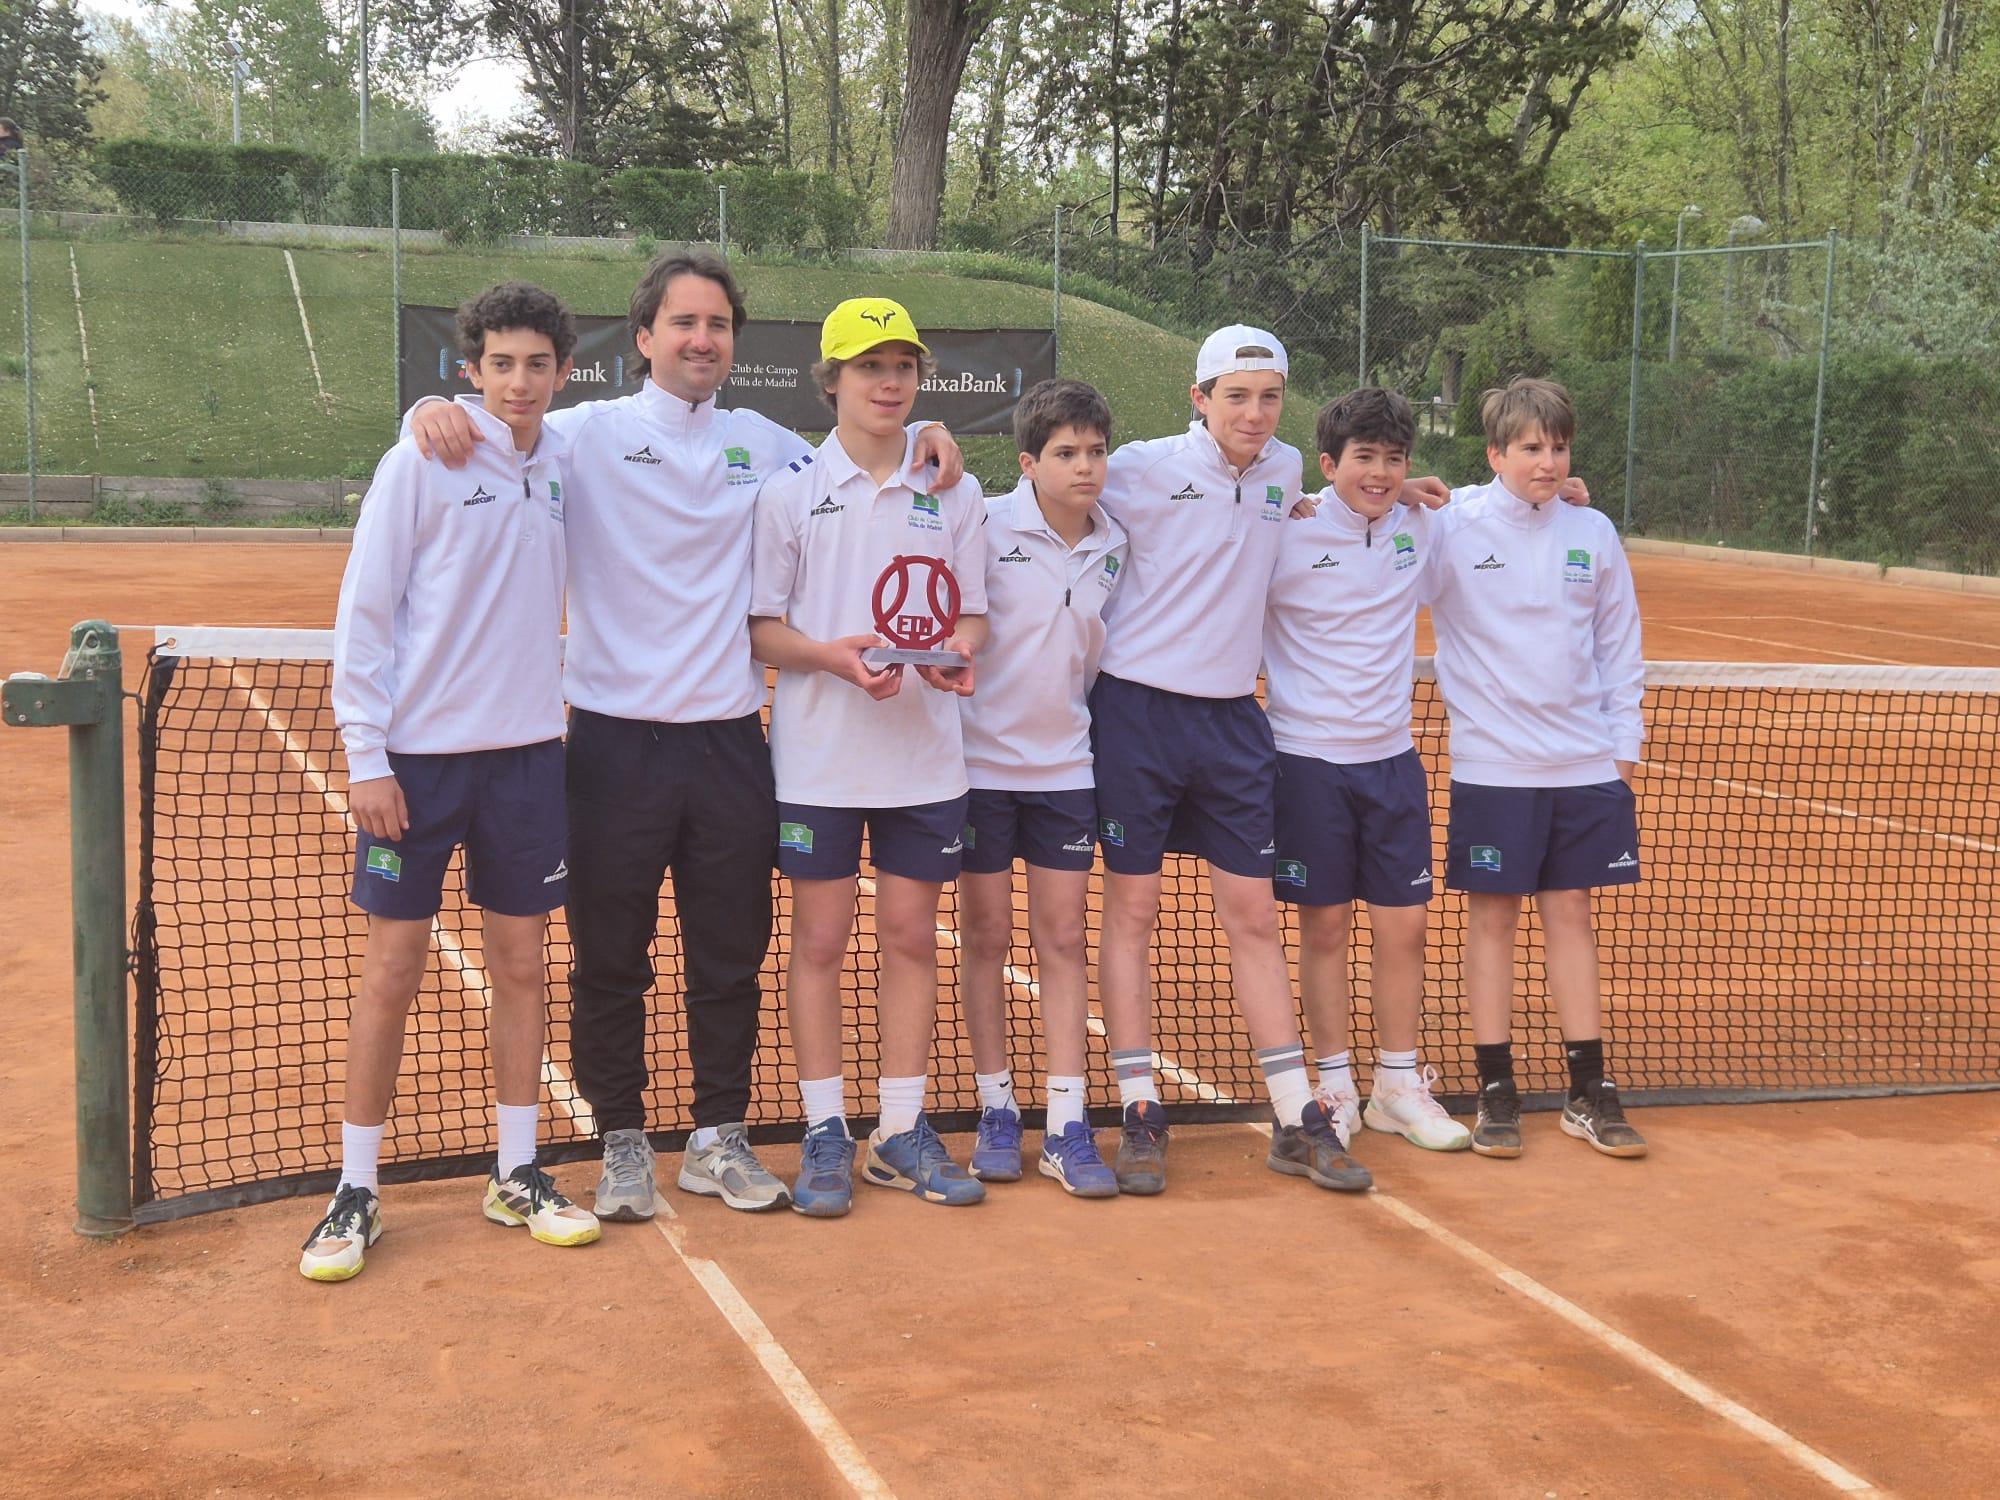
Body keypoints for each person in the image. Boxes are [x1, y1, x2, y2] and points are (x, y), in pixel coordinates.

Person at [406, 254, 962, 1221]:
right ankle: (622, 1138)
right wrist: (424, 411)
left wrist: (925, 429)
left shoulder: (769, 444)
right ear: (646, 338)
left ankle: (718, 1136)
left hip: (728, 747)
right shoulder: (581, 435)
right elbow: (497, 415)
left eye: (717, 324)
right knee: (610, 954)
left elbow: (863, 448)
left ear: (732, 341)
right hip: (613, 746)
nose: (702, 339)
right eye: (683, 323)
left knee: (729, 954)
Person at [306, 282, 595, 1280]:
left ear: (563, 372)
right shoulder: (419, 459)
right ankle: (355, 1190)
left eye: (538, 364)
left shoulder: (566, 458)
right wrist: (368, 759)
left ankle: (517, 1171)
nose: (519, 382)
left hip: (526, 759)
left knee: (521, 967)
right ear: (470, 370)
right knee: (392, 970)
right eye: (500, 364)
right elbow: (365, 613)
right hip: (418, 766)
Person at [1090, 325, 1393, 1195]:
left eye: (1269, 396)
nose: (1255, 414)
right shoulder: (1141, 466)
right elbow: (1048, 488)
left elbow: (1341, 495)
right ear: (1199, 398)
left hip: (1231, 723)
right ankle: (1141, 1112)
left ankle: (1300, 1116)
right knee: (1134, 913)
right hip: (1136, 715)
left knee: (1254, 917)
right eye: (1236, 396)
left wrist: (1398, 485)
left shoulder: (1290, 468)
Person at [748, 298, 989, 1216]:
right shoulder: (788, 493)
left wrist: (959, 656)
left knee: (908, 940)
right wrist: (835, 661)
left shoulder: (953, 489)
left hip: (926, 761)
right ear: (833, 382)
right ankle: (822, 1131)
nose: (890, 383)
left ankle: (897, 1130)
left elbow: (969, 614)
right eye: (869, 367)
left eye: (904, 367)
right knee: (817, 942)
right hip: (818, 762)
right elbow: (765, 632)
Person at [1424, 376, 1648, 1159]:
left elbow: (1620, 645)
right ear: (1495, 453)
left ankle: (1589, 1091)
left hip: (1584, 765)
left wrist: (1623, 748)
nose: (1547, 461)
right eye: (1530, 447)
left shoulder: (1593, 531)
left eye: (1557, 447)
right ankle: (1497, 1090)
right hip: (1494, 769)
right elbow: (1373, 557)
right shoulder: (1449, 527)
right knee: (1491, 922)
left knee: (1572, 920)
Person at [1264, 387, 1472, 1157]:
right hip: (1307, 763)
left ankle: (1396, 1084)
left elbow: (1487, 506)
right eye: (1364, 459)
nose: (1380, 473)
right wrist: (1296, 503)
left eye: (1394, 459)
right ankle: (1333, 1082)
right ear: (1328, 465)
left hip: (1392, 764)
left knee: (1405, 929)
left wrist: (1566, 495)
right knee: (1323, 929)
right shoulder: (1287, 533)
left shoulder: (1421, 526)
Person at [957, 379, 1128, 1197]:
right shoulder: (983, 525)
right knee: (986, 940)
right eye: (1065, 453)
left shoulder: (1117, 543)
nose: (1084, 466)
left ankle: (1066, 1122)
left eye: (1095, 451)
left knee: (1062, 942)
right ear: (1028, 463)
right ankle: (996, 1107)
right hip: (978, 773)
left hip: (1067, 771)